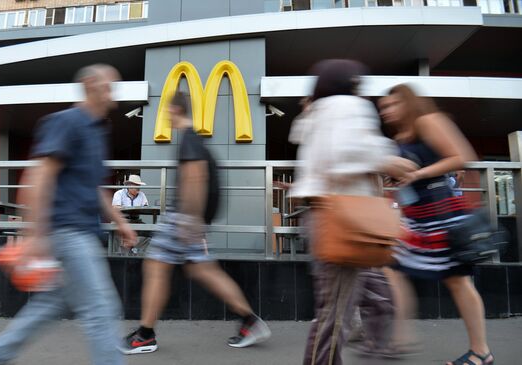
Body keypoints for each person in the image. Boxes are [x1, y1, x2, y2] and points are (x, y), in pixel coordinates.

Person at [0, 64, 137, 365]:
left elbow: (92, 188)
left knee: (51, 304)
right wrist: (34, 235)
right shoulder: (67, 122)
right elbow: (39, 177)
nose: (112, 92)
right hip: (68, 232)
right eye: (108, 85)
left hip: (79, 232)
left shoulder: (95, 131)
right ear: (90, 84)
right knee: (101, 308)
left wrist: (121, 223)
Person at [120, 91, 271, 355]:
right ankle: (250, 321)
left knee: (156, 266)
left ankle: (145, 335)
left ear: (175, 110)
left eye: (167, 110)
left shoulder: (189, 141)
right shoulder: (195, 141)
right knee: (203, 271)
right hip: (190, 220)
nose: (165, 115)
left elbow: (196, 179)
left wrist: (189, 224)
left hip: (182, 218)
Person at [288, 59, 417, 365]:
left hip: (328, 216)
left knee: (345, 305)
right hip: (347, 220)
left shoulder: (318, 113)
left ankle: (377, 343)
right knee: (335, 314)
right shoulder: (347, 106)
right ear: (350, 83)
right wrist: (389, 160)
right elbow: (345, 152)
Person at [378, 84, 494, 365]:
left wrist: (417, 174)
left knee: (457, 280)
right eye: (383, 108)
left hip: (441, 214)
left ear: (408, 103)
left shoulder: (428, 121)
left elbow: (461, 156)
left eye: (393, 105)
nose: (387, 112)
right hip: (417, 218)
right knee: (392, 268)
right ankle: (401, 337)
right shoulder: (401, 137)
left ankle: (481, 352)